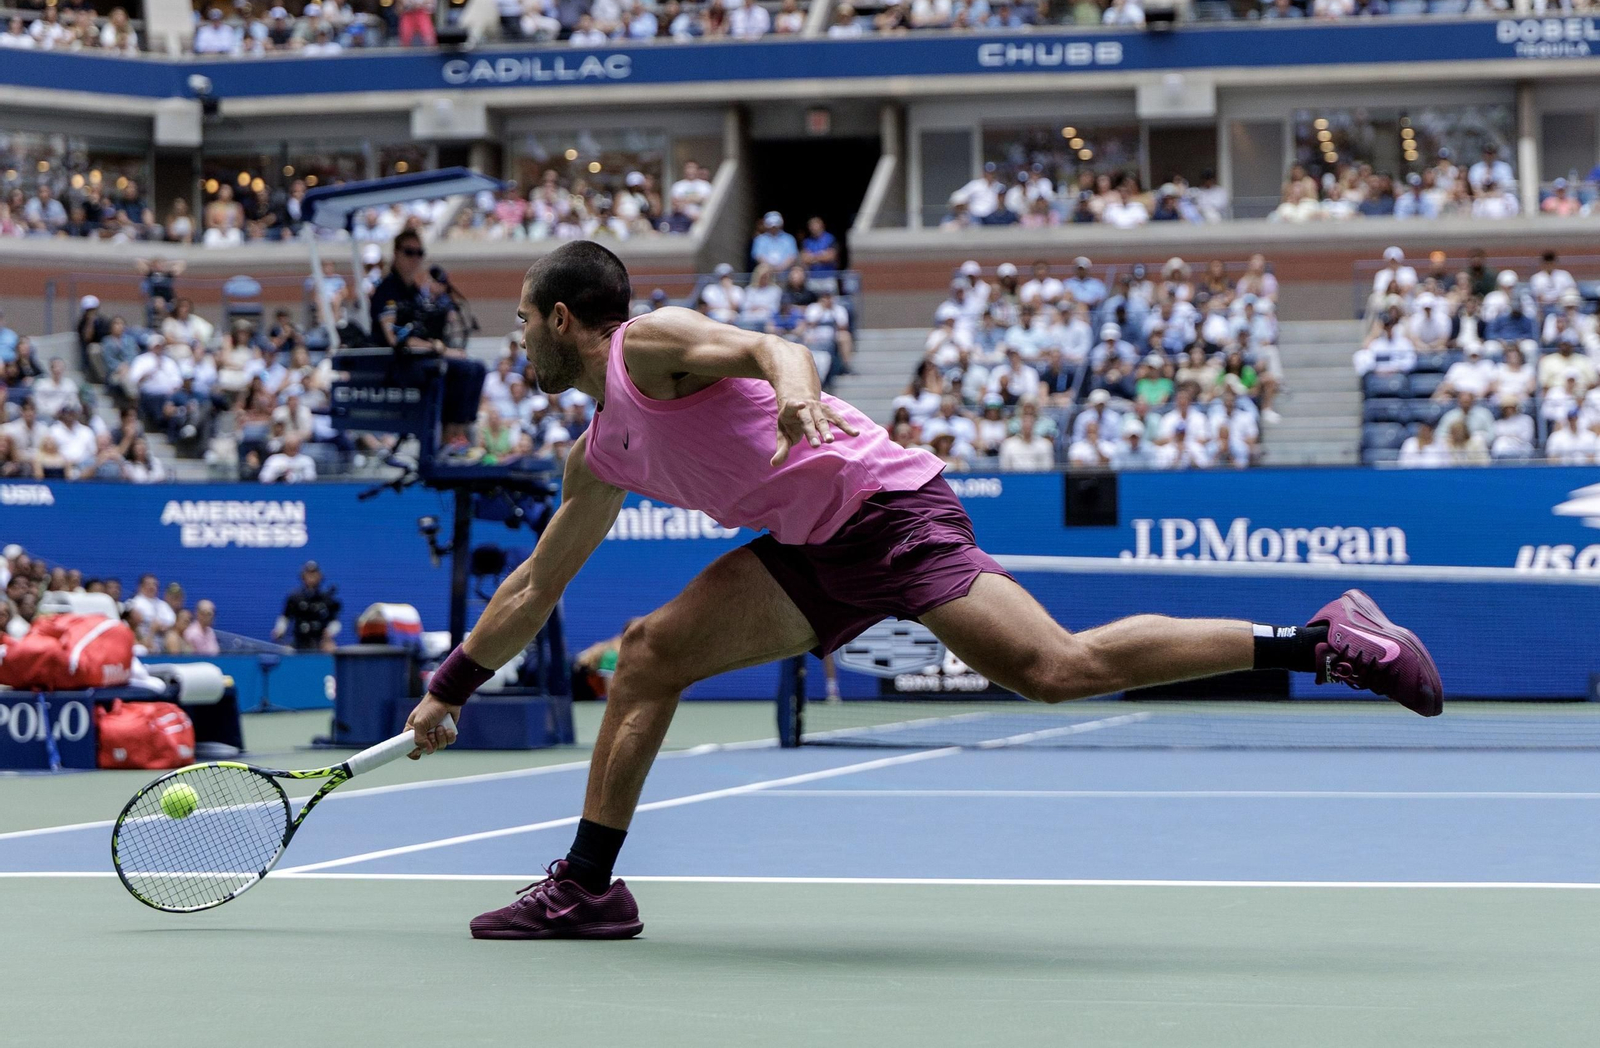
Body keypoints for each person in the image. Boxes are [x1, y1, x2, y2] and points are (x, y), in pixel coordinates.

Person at [400, 240, 1444, 940]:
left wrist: (799, 400)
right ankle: (587, 885)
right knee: (648, 654)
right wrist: (450, 685)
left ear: (567, 317)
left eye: (523, 320)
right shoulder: (599, 455)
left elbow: (777, 346)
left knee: (1055, 668)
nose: (515, 340)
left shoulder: (647, 347)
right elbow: (536, 580)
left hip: (886, 509)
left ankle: (1319, 639)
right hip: (809, 543)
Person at [274, 560, 342, 651]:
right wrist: (279, 630)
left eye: (314, 574)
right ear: (303, 576)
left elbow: (335, 622)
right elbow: (285, 617)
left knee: (331, 649)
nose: (311, 577)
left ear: (319, 576)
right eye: (308, 574)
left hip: (320, 640)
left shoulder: (327, 599)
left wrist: (330, 632)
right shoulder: (294, 597)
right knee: (287, 652)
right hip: (298, 640)